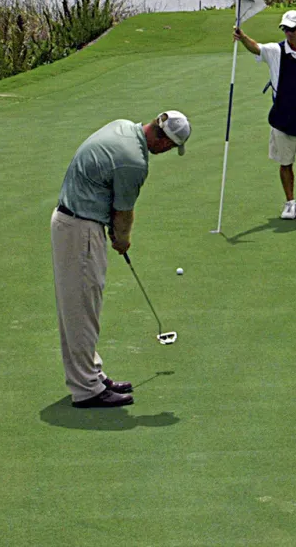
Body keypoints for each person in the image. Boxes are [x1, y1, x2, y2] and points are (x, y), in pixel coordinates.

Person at [52, 111, 191, 409]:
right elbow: (123, 213)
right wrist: (122, 240)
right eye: (169, 147)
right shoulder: (135, 161)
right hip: (81, 229)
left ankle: (92, 375)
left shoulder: (124, 127)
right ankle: (86, 388)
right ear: (165, 142)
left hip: (74, 221)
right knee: (81, 309)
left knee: (83, 306)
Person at [233, 9, 296, 220]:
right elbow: (256, 48)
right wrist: (242, 36)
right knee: (285, 162)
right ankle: (289, 202)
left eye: (292, 29)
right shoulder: (276, 51)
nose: (288, 33)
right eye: (285, 29)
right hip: (283, 111)